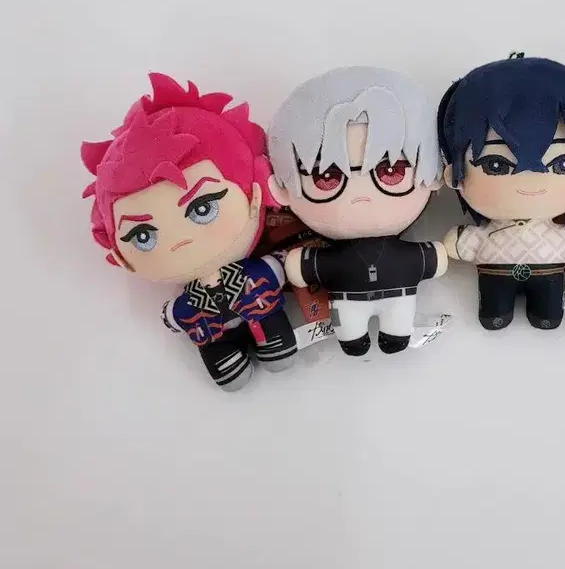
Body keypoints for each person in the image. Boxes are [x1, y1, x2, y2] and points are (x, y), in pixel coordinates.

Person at [81, 73, 297, 391]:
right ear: (121, 257)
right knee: (224, 364)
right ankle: (227, 361)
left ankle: (274, 344)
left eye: (203, 208)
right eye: (143, 236)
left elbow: (280, 269)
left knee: (277, 344)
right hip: (212, 334)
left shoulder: (251, 274)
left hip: (260, 312)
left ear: (254, 196)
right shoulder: (193, 298)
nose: (179, 241)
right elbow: (175, 315)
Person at [267, 66, 448, 357]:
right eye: (326, 177)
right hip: (347, 302)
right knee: (349, 330)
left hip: (391, 300)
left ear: (434, 173)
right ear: (281, 189)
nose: (362, 195)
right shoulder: (338, 258)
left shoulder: (390, 255)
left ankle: (393, 335)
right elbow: (432, 259)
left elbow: (431, 259)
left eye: (391, 171)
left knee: (393, 325)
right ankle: (355, 339)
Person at [439, 54, 565, 330]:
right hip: (496, 277)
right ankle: (498, 312)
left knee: (548, 313)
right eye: (496, 164)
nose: (532, 181)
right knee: (494, 312)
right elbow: (459, 245)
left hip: (549, 276)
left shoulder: (558, 235)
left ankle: (544, 313)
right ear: (454, 175)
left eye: (563, 164)